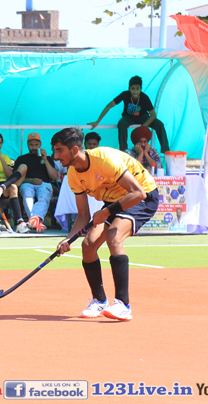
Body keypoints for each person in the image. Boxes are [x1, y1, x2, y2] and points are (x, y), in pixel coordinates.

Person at [50, 127, 160, 322]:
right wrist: (68, 239)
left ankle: (123, 305)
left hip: (142, 195)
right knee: (88, 245)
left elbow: (138, 193)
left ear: (74, 150)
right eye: (54, 150)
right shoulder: (73, 174)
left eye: (59, 150)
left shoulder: (104, 160)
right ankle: (99, 300)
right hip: (114, 200)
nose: (55, 156)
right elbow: (83, 215)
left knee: (113, 238)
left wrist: (107, 212)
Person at [88, 75, 171, 155]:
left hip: (143, 117)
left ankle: (166, 151)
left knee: (159, 124)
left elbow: (153, 115)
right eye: (133, 89)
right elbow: (109, 106)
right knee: (121, 123)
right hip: (129, 117)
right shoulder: (125, 94)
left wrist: (144, 126)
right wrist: (97, 121)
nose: (135, 91)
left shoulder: (144, 97)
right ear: (129, 89)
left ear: (141, 89)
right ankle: (123, 151)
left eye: (137, 89)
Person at [10, 132, 60, 233]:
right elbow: (15, 178)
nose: (34, 147)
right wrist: (31, 180)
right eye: (31, 145)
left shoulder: (48, 158)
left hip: (44, 183)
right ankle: (37, 221)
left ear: (40, 144)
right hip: (27, 183)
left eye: (36, 145)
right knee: (27, 196)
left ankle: (34, 220)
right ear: (27, 145)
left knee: (44, 197)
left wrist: (45, 160)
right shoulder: (21, 159)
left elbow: (54, 176)